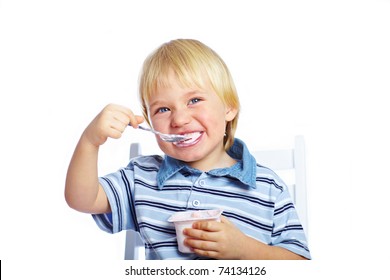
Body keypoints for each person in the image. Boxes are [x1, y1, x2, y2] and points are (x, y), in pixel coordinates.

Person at [65, 39, 311, 260]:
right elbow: (82, 200)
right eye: (163, 109)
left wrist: (245, 250)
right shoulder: (141, 177)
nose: (180, 119)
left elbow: (301, 266)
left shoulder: (268, 186)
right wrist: (90, 142)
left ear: (229, 108)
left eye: (194, 100)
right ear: (150, 122)